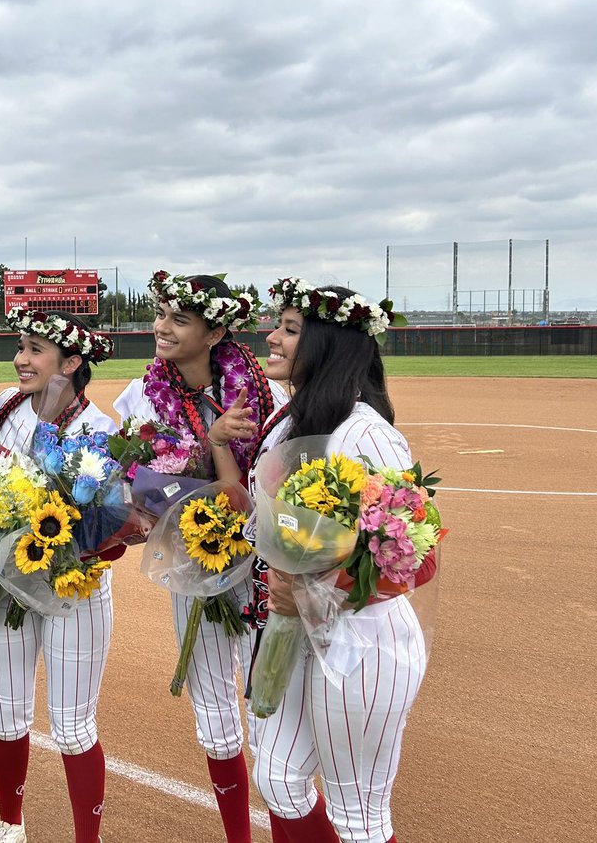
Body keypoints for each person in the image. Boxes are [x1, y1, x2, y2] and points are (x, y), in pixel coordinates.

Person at [212, 277, 432, 843]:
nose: (273, 337)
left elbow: (416, 558)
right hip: (292, 631)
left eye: (290, 329)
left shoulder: (367, 434)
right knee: (280, 778)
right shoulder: (287, 421)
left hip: (363, 641)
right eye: (276, 326)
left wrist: (318, 585)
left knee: (358, 813)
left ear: (328, 345)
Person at [113, 272, 284, 843]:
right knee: (213, 714)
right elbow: (133, 478)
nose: (161, 327)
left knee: (269, 709)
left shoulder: (263, 394)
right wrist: (141, 509)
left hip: (261, 567)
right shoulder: (141, 395)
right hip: (190, 560)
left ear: (215, 332)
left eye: (178, 319)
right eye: (161, 314)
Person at [0, 307, 118, 843]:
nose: (21, 359)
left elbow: (112, 529)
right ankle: (10, 823)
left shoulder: (100, 430)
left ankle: (89, 838)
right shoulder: (4, 410)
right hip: (6, 585)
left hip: (74, 592)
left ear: (72, 361)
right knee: (6, 714)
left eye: (36, 349)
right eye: (21, 346)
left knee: (73, 725)